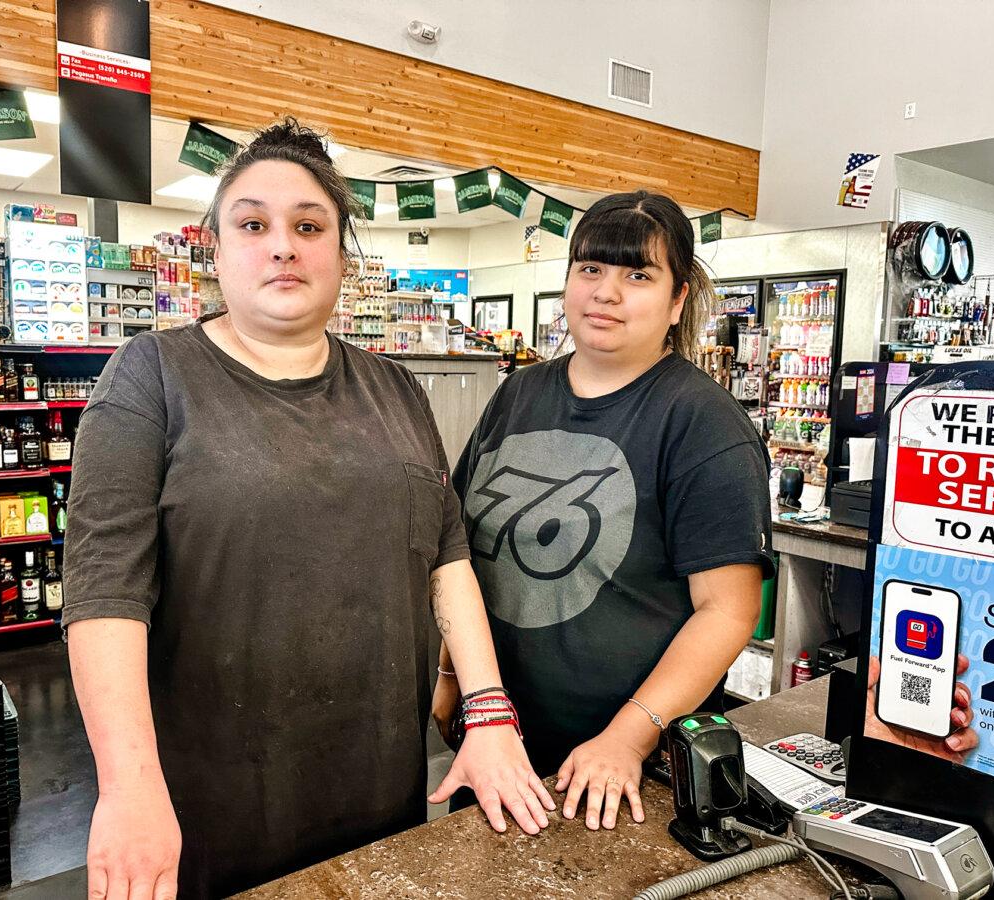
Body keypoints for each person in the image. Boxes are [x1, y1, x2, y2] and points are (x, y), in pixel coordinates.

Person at [63, 118, 552, 900]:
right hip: (210, 804)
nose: (282, 245)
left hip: (377, 787)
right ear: (214, 249)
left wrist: (489, 715)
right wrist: (127, 789)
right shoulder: (150, 378)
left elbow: (447, 554)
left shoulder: (394, 389)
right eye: (253, 224)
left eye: (308, 225)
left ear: (340, 253)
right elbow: (103, 594)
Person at [434, 190, 775, 831]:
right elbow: (462, 547)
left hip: (618, 772)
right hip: (495, 746)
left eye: (637, 275)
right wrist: (457, 679)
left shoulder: (702, 423)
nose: (606, 293)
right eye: (590, 269)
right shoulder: (518, 393)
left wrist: (629, 737)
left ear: (677, 301)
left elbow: (728, 609)